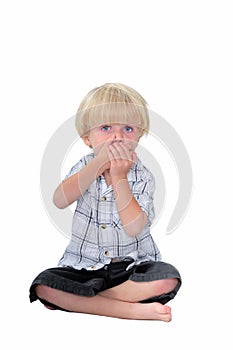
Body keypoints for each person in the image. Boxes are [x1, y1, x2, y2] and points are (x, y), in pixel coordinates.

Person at [29, 83, 181, 321]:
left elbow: (134, 228)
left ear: (139, 135)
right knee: (43, 284)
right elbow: (59, 200)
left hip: (131, 268)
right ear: (87, 138)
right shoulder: (83, 167)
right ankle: (129, 309)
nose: (117, 136)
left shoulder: (142, 176)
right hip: (84, 267)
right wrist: (96, 166)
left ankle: (82, 300)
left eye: (128, 128)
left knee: (168, 277)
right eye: (106, 127)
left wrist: (120, 177)